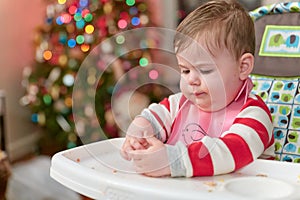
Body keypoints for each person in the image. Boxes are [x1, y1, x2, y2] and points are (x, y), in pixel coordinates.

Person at [120, 0, 274, 177]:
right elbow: (154, 117)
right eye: (185, 70)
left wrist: (172, 161)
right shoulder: (180, 104)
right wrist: (139, 133)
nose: (191, 80)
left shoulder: (254, 115)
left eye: (205, 69)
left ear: (243, 67)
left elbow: (230, 151)